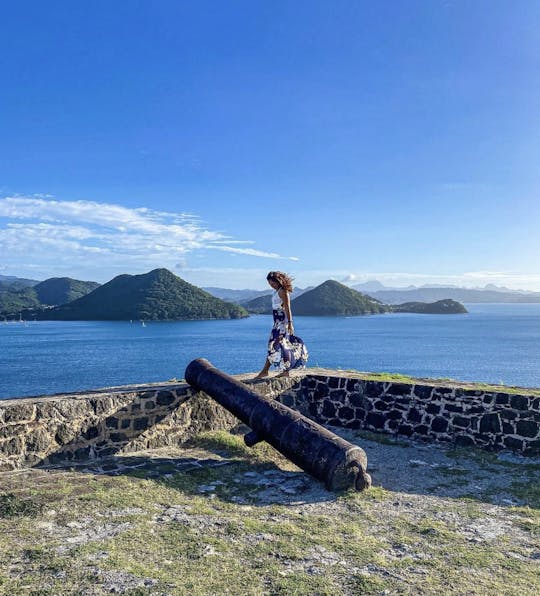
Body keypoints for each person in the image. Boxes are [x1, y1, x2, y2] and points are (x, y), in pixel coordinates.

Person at [255, 271, 308, 379]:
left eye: (272, 283)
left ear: (278, 281)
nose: (271, 285)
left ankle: (265, 371)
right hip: (277, 323)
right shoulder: (276, 291)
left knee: (274, 346)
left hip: (282, 324)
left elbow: (287, 308)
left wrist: (290, 323)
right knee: (281, 347)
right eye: (270, 283)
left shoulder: (283, 291)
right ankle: (285, 371)